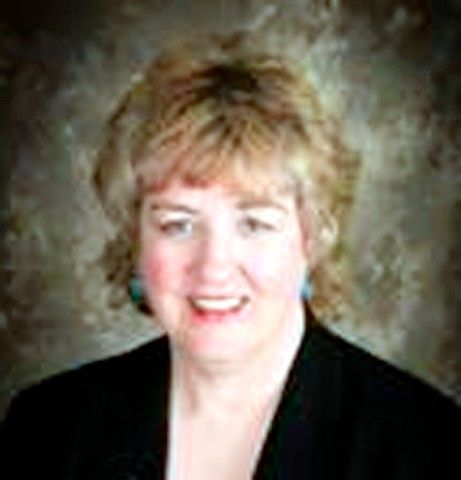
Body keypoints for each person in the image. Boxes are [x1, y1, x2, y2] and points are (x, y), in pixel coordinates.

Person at [1, 32, 459, 480]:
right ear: (136, 239)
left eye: (254, 224)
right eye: (178, 225)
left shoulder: (428, 446)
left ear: (313, 237)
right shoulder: (47, 426)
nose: (213, 267)